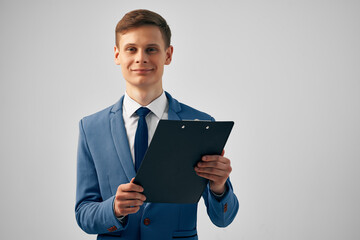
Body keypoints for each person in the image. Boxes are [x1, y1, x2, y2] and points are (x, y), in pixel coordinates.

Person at [75, 9, 239, 240]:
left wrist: (219, 187)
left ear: (168, 55)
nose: (141, 57)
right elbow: (83, 214)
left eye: (151, 49)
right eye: (131, 49)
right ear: (117, 55)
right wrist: (113, 209)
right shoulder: (91, 128)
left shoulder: (200, 124)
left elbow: (223, 219)